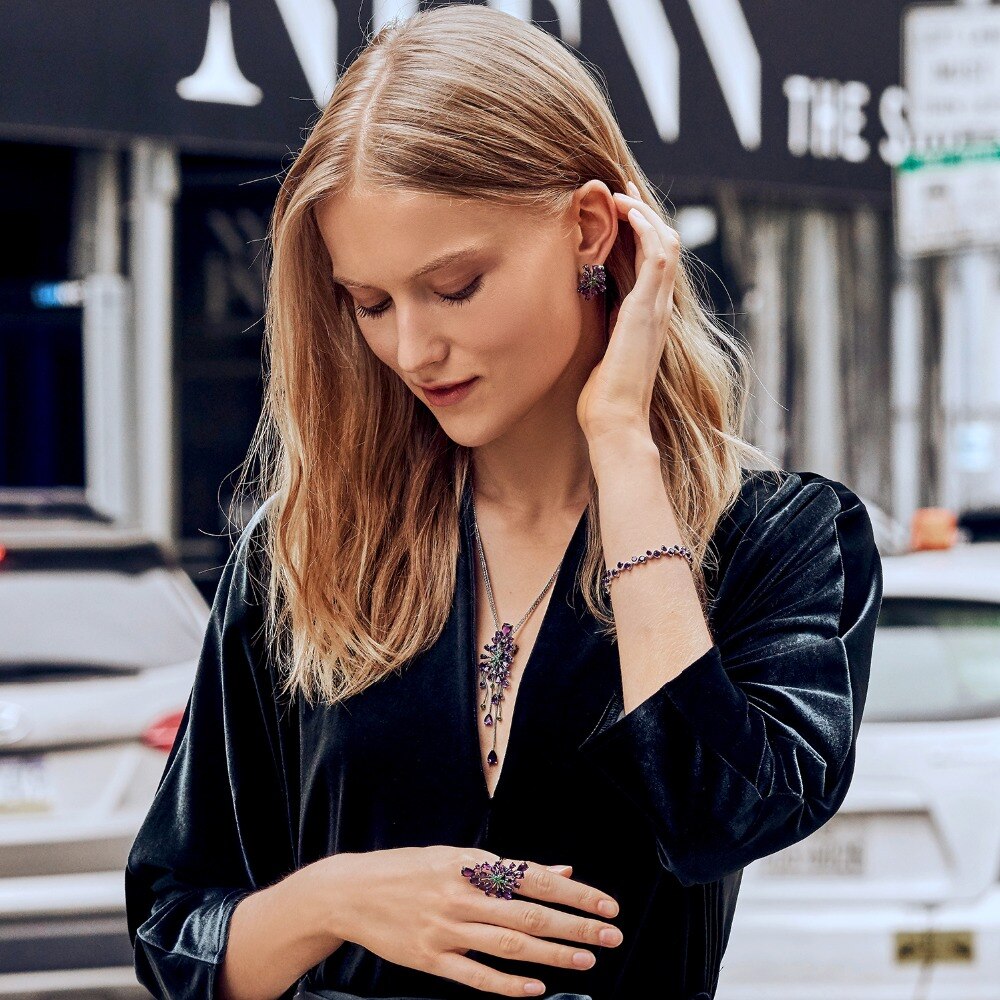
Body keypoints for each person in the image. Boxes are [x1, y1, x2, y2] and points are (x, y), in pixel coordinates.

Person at [124, 5, 883, 1000]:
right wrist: (338, 897)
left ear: (589, 229)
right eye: (371, 302)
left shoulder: (781, 538)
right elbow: (175, 932)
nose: (411, 349)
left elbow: (713, 819)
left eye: (455, 284)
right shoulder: (304, 549)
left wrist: (621, 446)